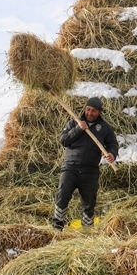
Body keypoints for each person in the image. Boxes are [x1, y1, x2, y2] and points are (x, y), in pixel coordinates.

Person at [52, 96, 119, 230]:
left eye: (94, 111)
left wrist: (112, 154)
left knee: (89, 203)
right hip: (70, 167)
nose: (89, 113)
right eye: (88, 109)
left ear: (100, 112)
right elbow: (64, 140)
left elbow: (113, 144)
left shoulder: (105, 128)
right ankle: (57, 228)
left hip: (90, 171)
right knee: (63, 196)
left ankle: (87, 232)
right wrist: (78, 129)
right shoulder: (74, 123)